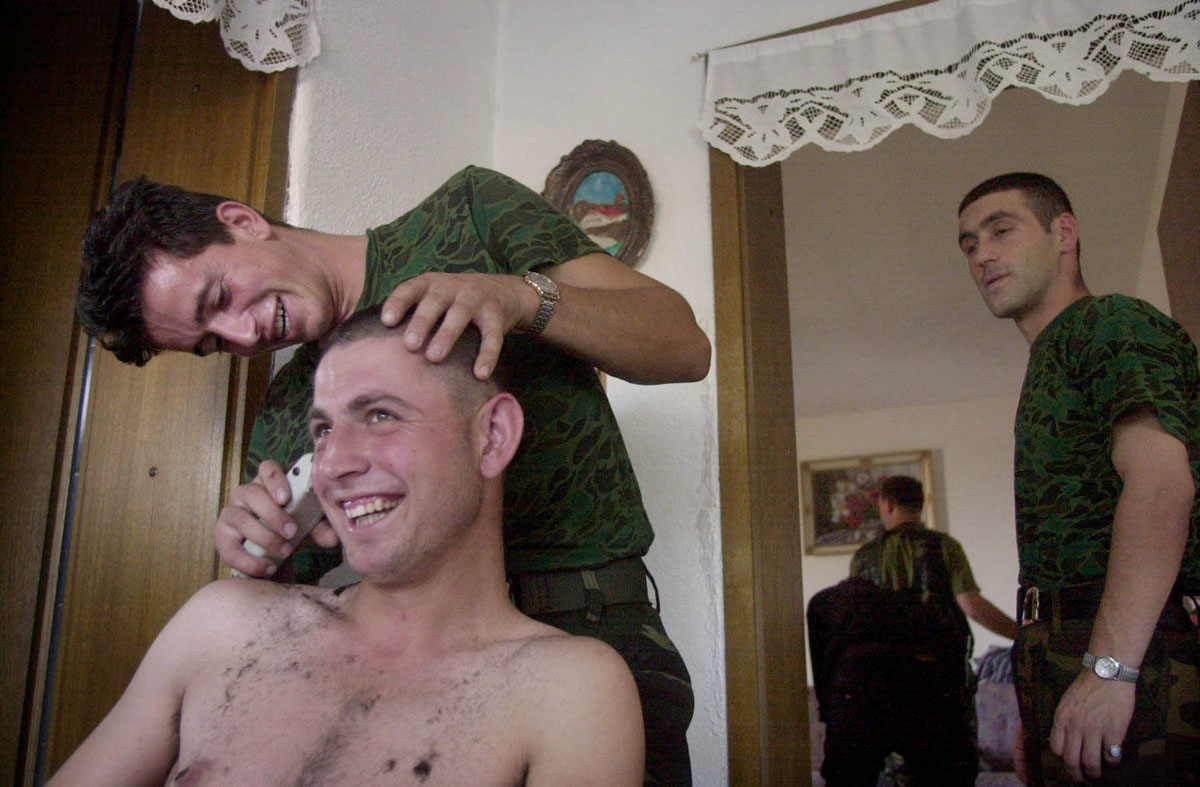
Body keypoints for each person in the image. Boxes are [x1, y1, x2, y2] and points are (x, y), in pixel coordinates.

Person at [78, 167, 707, 784]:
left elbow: (685, 347)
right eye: (212, 344)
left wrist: (521, 298)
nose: (241, 334)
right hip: (418, 689)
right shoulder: (287, 419)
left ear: (242, 222)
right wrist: (263, 552)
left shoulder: (470, 214)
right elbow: (286, 636)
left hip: (600, 632)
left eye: (218, 299)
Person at [48, 307, 644, 786]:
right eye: (323, 430)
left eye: (381, 415)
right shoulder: (224, 625)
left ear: (492, 436)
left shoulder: (570, 693)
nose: (331, 465)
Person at [957, 172, 1200, 784]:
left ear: (1064, 232)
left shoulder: (1111, 323)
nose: (981, 253)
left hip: (1136, 650)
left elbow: (1161, 486)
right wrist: (1033, 701)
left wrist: (1109, 669)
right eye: (967, 244)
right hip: (1059, 647)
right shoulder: (1050, 359)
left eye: (1000, 230)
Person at [813, 475, 1018, 786]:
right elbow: (972, 606)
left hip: (876, 688)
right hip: (939, 684)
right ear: (920, 505)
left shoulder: (865, 557)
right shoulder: (944, 548)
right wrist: (1021, 633)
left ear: (887, 504)